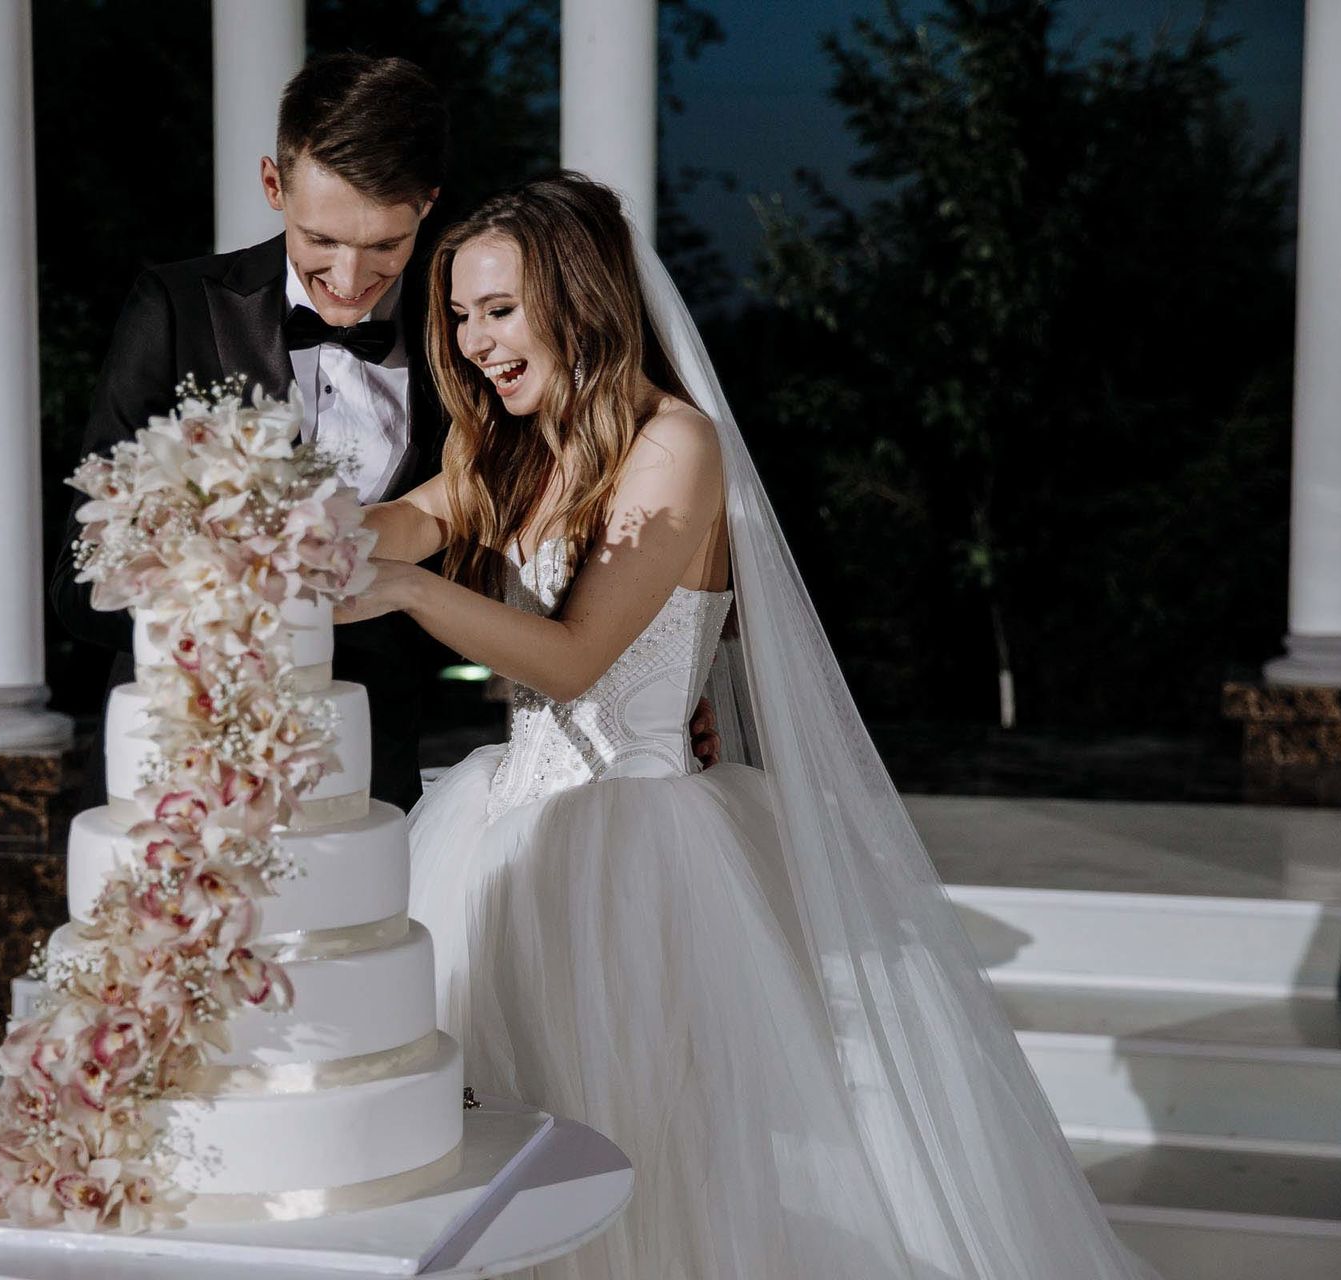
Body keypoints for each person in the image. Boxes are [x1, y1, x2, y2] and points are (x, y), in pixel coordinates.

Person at [341, 173, 1158, 1279]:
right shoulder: (504, 449)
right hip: (505, 833)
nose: (474, 339)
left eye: (499, 307)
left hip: (636, 849)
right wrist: (310, 525)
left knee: (638, 1136)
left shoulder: (673, 445)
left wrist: (410, 593)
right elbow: (411, 518)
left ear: (581, 296)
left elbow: (579, 658)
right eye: (461, 313)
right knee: (508, 1124)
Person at [50, 53, 451, 811]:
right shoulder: (176, 310)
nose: (348, 276)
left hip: (372, 767)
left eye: (385, 247)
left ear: (427, 205)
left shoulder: (457, 338)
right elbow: (80, 577)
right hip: (183, 760)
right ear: (274, 185)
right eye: (321, 239)